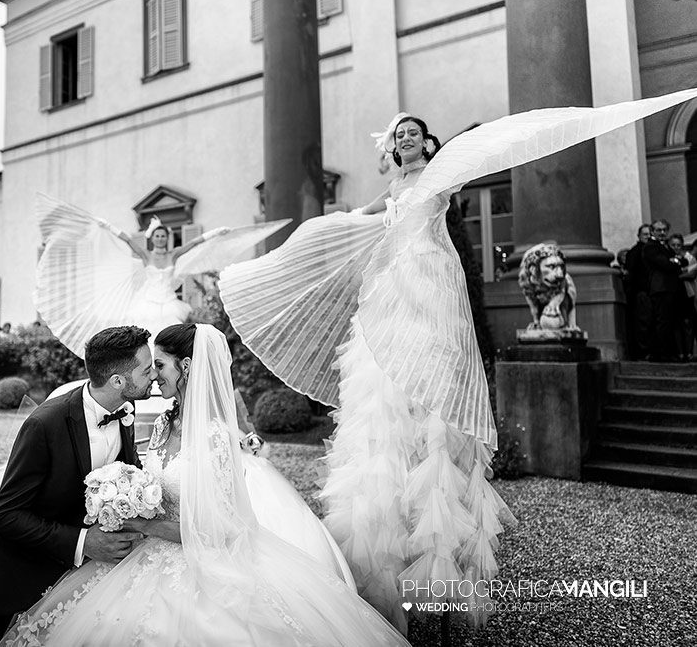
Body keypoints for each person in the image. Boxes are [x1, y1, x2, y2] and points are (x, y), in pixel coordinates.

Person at [217, 88, 697, 631]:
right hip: (391, 290)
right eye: (398, 136)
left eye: (412, 133)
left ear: (428, 141)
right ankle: (383, 566)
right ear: (394, 148)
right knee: (384, 397)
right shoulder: (394, 187)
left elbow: (474, 160)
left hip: (430, 286)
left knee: (434, 399)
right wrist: (306, 241)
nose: (405, 139)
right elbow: (360, 218)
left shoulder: (444, 175)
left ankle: (441, 576)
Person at [0, 323, 410, 646]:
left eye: (159, 365)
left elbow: (220, 529)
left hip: (200, 563)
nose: (153, 376)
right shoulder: (161, 421)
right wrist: (119, 492)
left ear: (186, 367)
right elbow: (144, 475)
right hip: (141, 552)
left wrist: (142, 525)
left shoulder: (216, 438)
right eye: (149, 367)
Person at [0, 326, 156, 647]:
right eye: (146, 369)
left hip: (68, 589)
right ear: (118, 381)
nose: (153, 375)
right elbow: (6, 516)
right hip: (7, 581)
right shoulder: (44, 424)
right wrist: (84, 542)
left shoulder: (123, 412)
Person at [33, 194, 289, 356]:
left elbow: (196, 243)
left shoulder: (174, 255)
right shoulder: (145, 255)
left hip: (168, 301)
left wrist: (217, 233)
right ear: (151, 238)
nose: (160, 239)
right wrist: (106, 226)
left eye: (164, 236)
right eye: (157, 236)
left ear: (168, 238)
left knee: (168, 332)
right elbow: (125, 240)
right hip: (147, 301)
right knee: (144, 333)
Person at [645, 219, 684, 361]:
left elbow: (680, 261)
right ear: (652, 231)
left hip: (669, 288)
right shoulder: (651, 246)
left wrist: (675, 261)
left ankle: (667, 352)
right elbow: (664, 264)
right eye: (659, 230)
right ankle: (661, 354)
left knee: (669, 321)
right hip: (660, 288)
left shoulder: (665, 246)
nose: (662, 233)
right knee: (662, 321)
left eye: (664, 230)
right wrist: (675, 261)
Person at [626, 223, 653, 359]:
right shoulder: (637, 251)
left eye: (649, 234)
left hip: (648, 291)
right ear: (639, 236)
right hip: (642, 292)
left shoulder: (647, 250)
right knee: (643, 322)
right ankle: (643, 352)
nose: (648, 237)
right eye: (645, 234)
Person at [669, 232, 696, 360]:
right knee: (676, 324)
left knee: (688, 323)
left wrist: (676, 276)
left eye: (678, 245)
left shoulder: (689, 258)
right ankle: (680, 353)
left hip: (687, 292)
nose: (676, 247)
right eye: (673, 245)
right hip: (673, 293)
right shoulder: (668, 258)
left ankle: (689, 352)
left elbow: (692, 274)